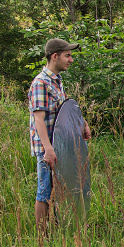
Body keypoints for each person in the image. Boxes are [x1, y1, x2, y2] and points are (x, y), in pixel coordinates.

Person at [29, 38, 91, 233]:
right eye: (67, 56)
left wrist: (82, 123)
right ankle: (42, 237)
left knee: (58, 189)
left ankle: (56, 227)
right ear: (55, 56)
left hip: (61, 147)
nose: (71, 60)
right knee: (45, 191)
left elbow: (63, 110)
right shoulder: (41, 83)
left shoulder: (56, 81)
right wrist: (48, 150)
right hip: (48, 147)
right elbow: (39, 120)